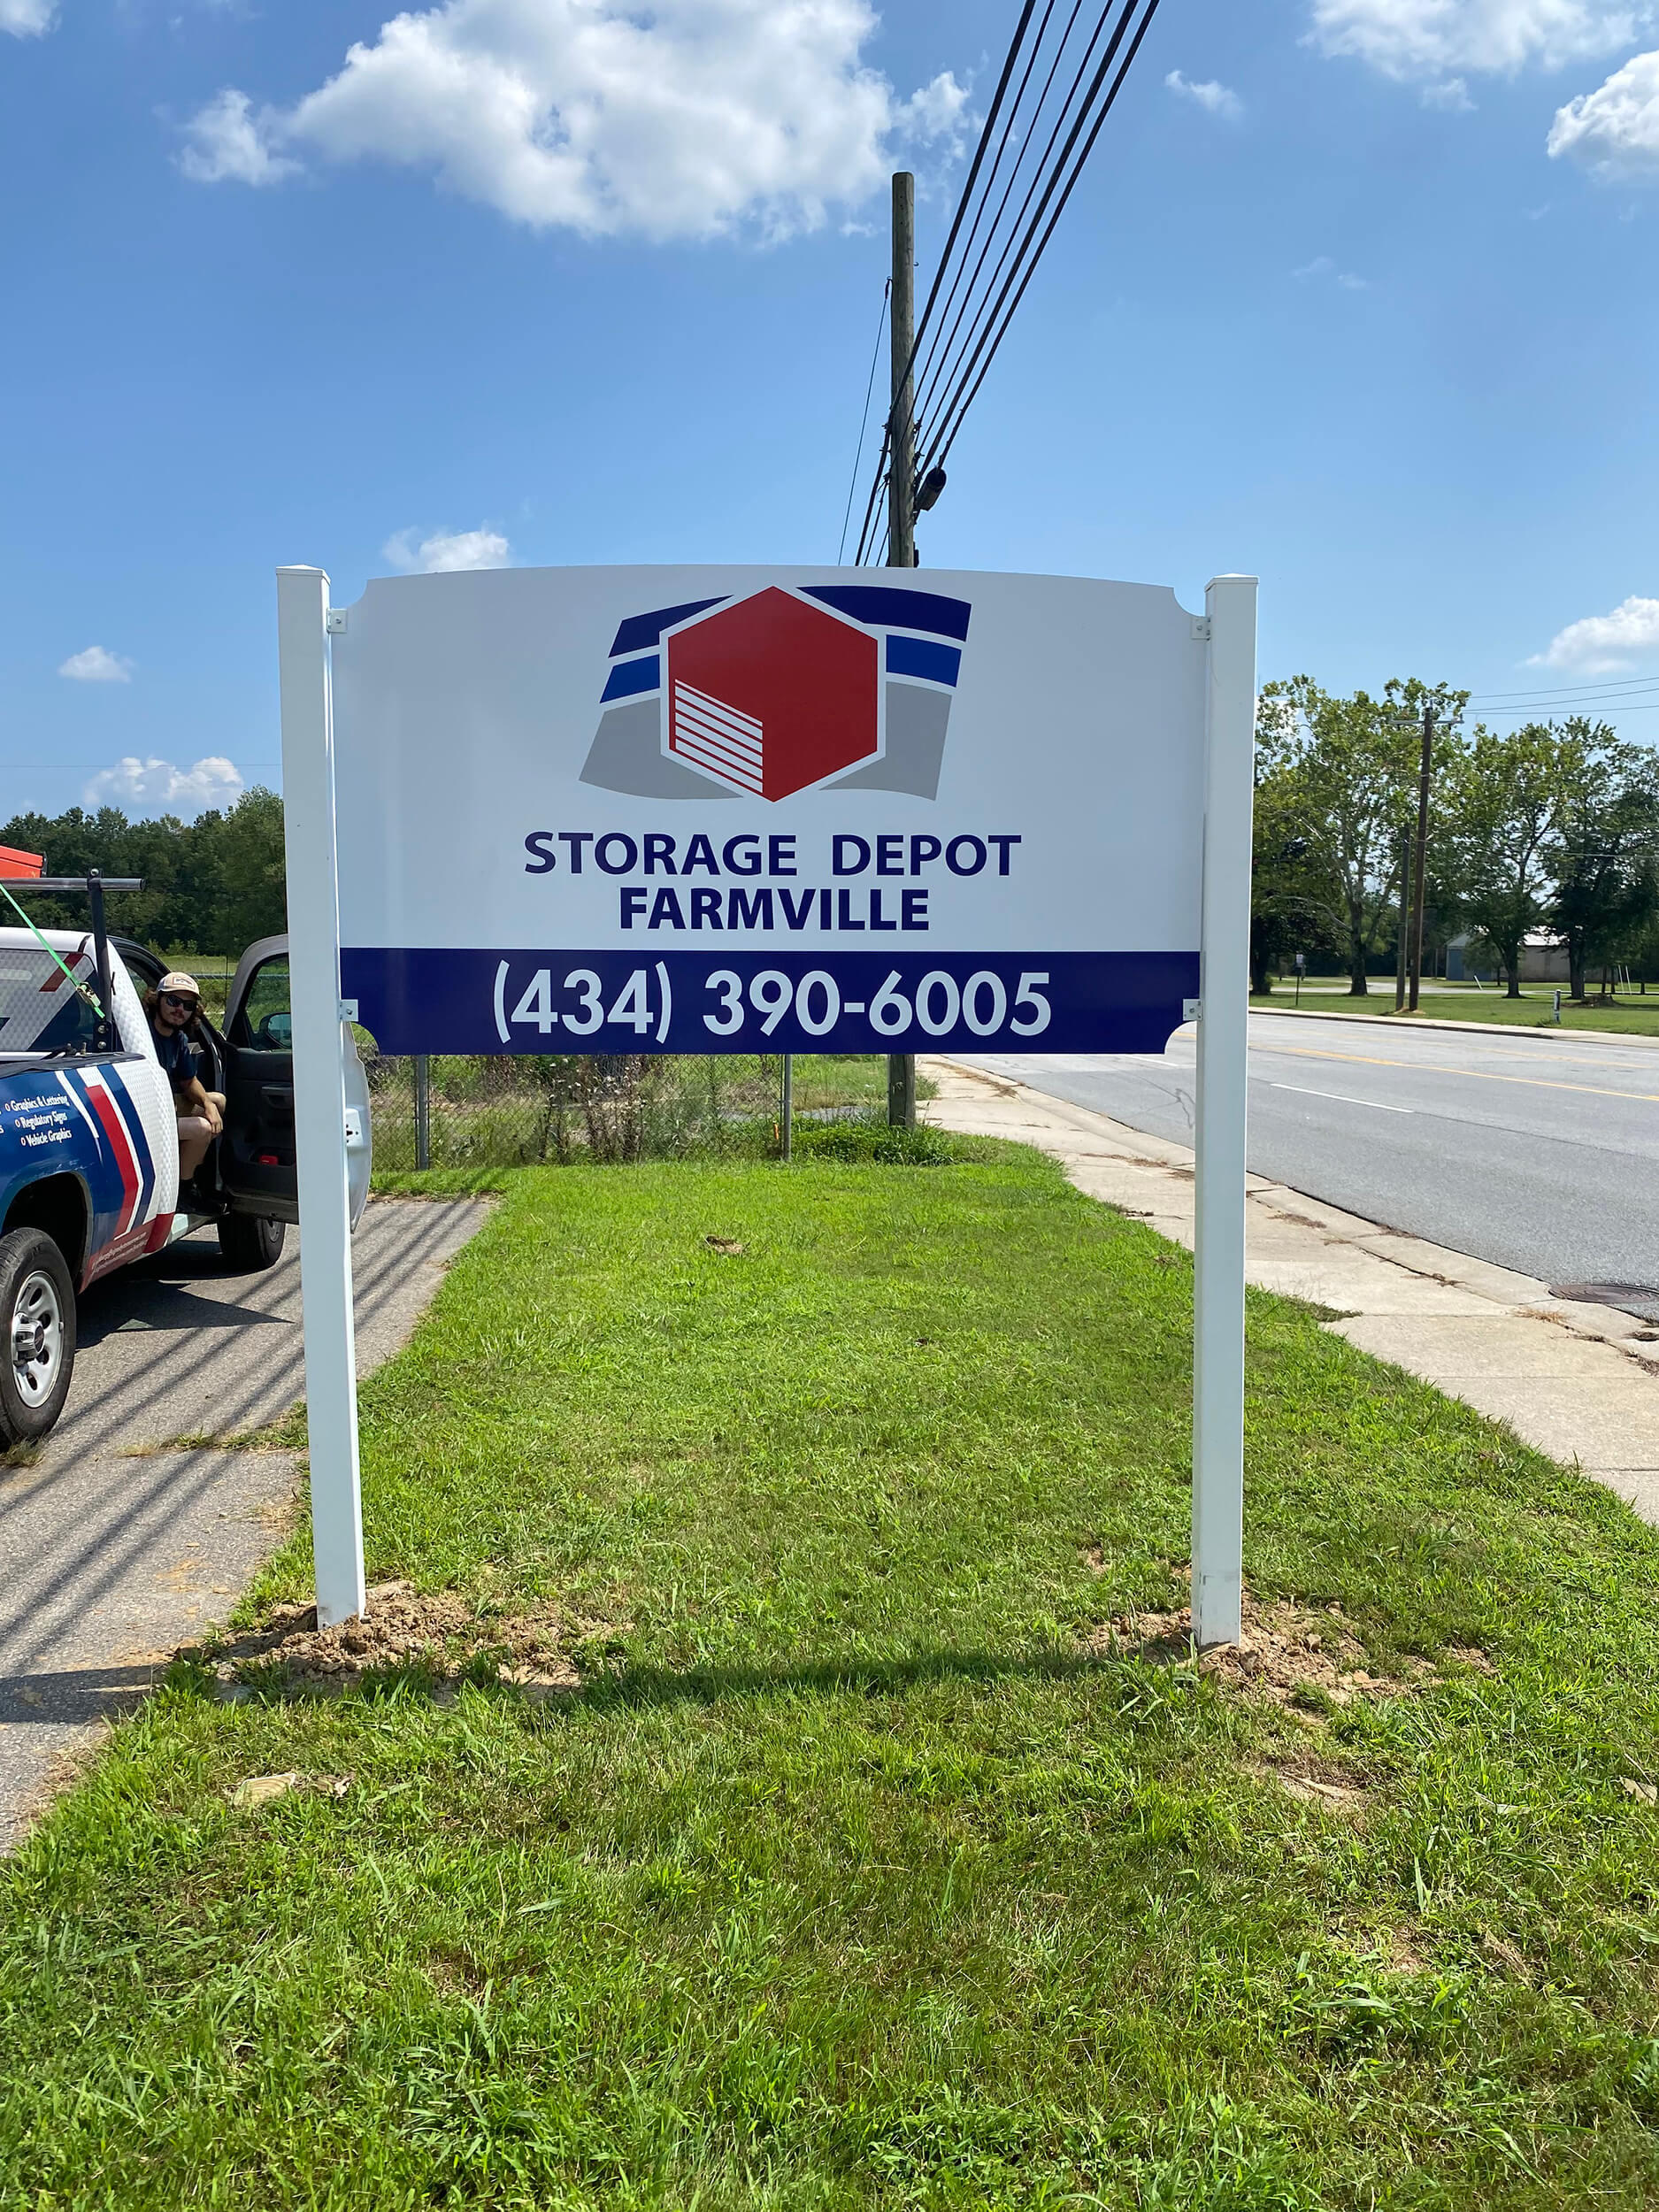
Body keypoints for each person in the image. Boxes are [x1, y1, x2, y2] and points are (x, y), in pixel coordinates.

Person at [146, 972, 225, 1182]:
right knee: (202, 1128)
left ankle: (192, 1172)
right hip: (147, 1117)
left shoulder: (178, 1038)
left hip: (167, 1109)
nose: (180, 1009)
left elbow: (188, 1081)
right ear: (158, 999)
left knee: (218, 1101)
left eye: (188, 1006)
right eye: (173, 1001)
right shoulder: (140, 1034)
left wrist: (207, 1104)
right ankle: (184, 1189)